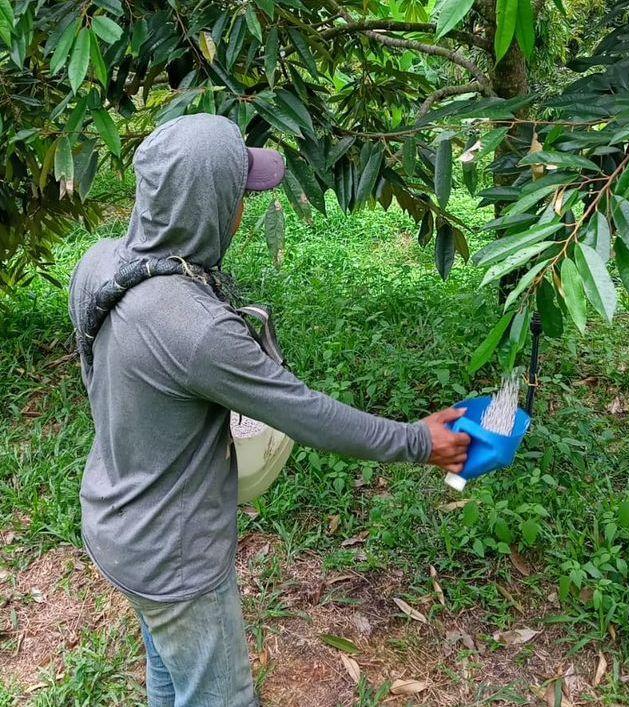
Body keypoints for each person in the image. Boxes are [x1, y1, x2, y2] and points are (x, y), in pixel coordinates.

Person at [68, 114, 470, 707]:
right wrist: (418, 441)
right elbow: (302, 411)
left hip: (112, 520)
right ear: (206, 204)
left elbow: (95, 373)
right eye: (238, 195)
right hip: (174, 562)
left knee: (169, 676)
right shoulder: (197, 330)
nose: (242, 210)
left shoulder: (100, 263)